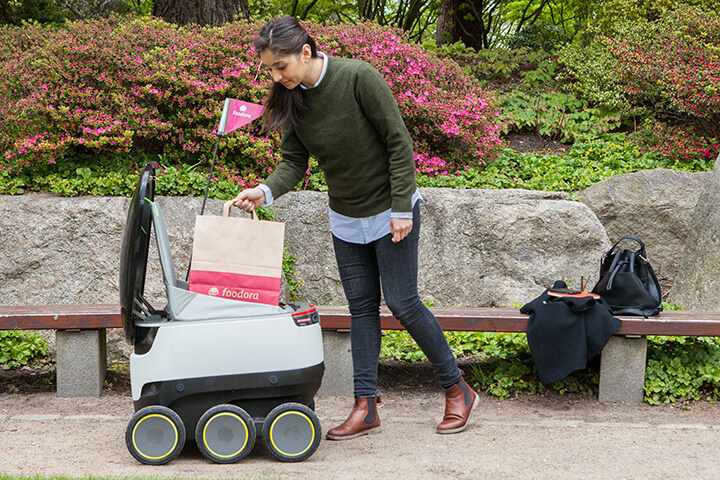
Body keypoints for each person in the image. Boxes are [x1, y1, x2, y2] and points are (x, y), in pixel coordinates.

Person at [232, 16, 478, 439]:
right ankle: (365, 405)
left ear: (305, 52)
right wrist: (264, 191)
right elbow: (294, 162)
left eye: (280, 67)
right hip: (345, 216)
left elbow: (398, 141)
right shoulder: (293, 99)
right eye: (270, 69)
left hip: (390, 210)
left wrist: (402, 206)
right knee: (361, 307)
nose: (275, 76)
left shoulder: (358, 76)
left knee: (403, 302)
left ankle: (457, 389)